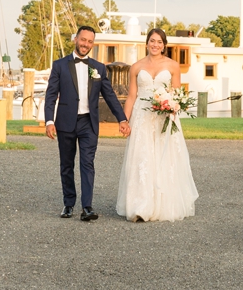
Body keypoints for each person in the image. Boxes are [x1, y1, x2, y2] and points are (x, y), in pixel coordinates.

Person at [44, 26, 129, 222]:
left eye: (90, 42)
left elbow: (109, 95)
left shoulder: (98, 68)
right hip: (65, 122)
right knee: (66, 164)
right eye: (83, 40)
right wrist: (49, 120)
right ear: (75, 39)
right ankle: (68, 203)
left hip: (88, 123)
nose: (86, 45)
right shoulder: (60, 65)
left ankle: (87, 207)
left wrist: (122, 118)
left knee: (87, 163)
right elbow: (50, 95)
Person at [116, 28, 199, 222]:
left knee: (164, 158)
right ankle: (140, 205)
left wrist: (172, 106)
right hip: (142, 116)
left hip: (164, 116)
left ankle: (164, 204)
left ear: (164, 45)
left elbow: (178, 94)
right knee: (142, 157)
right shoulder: (136, 67)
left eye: (159, 42)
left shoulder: (172, 66)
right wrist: (124, 120)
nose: (155, 45)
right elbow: (131, 96)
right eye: (152, 41)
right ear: (147, 43)